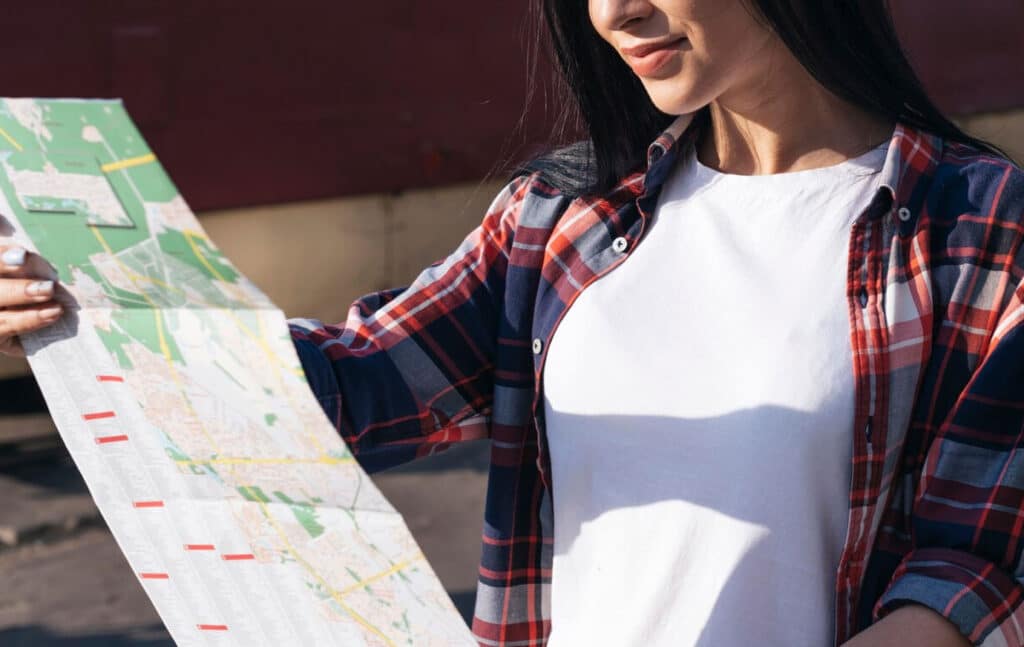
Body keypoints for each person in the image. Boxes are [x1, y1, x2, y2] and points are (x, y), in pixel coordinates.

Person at [2, 1, 1022, 645]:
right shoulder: (562, 217)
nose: (616, 11)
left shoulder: (979, 225)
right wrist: (73, 314)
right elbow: (353, 391)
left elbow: (974, 558)